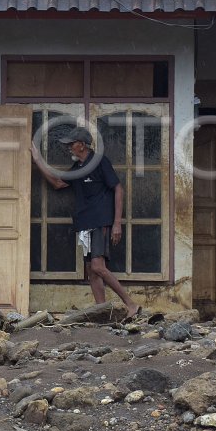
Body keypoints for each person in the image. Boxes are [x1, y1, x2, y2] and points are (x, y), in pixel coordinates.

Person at [31, 126, 140, 318]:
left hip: (100, 221)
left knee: (98, 266)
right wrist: (37, 159)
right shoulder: (78, 168)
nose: (69, 148)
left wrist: (116, 223)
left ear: (82, 145)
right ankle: (102, 312)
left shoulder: (99, 162)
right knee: (92, 270)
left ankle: (131, 304)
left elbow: (118, 189)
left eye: (72, 144)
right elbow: (57, 183)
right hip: (85, 223)